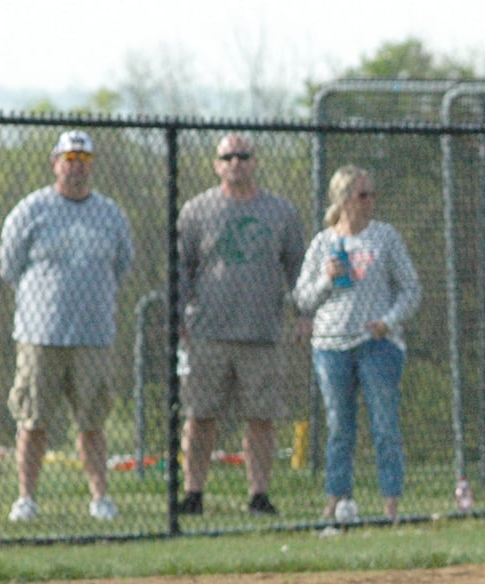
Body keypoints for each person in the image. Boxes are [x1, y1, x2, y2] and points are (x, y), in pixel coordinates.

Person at [0, 130, 134, 522]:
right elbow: (9, 265)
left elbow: (123, 265)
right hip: (40, 335)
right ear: (54, 162)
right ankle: (26, 498)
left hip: (93, 336)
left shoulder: (110, 213)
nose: (76, 168)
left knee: (92, 421)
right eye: (69, 159)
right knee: (33, 419)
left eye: (84, 161)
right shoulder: (32, 210)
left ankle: (100, 499)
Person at [176, 133, 305, 517]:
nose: (236, 162)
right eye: (227, 156)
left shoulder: (280, 212)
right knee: (199, 417)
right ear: (217, 164)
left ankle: (259, 495)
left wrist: (303, 312)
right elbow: (181, 268)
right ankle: (193, 494)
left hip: (261, 332)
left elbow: (298, 267)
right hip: (207, 333)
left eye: (243, 156)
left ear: (254, 162)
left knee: (261, 419)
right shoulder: (197, 210)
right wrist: (177, 317)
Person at [293, 165, 419, 524]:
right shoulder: (324, 243)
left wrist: (388, 321)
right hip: (331, 345)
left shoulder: (385, 238)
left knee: (384, 424)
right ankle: (336, 502)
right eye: (363, 195)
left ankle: (390, 506)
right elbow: (303, 298)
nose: (370, 201)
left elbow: (411, 288)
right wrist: (325, 279)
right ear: (344, 199)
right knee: (339, 427)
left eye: (372, 194)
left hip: (376, 343)